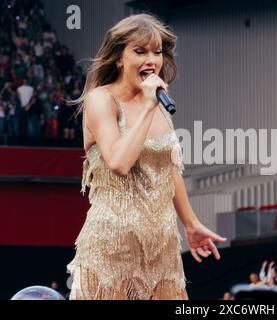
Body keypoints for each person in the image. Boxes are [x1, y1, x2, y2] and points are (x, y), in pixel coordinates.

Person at [66, 14, 226, 300]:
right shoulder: (102, 99)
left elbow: (170, 171)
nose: (151, 59)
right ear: (119, 58)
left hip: (161, 246)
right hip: (111, 246)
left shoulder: (160, 104)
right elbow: (118, 162)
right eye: (139, 51)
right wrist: (149, 106)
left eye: (157, 52)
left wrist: (191, 223)